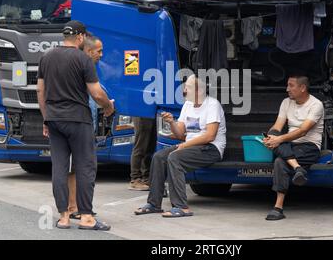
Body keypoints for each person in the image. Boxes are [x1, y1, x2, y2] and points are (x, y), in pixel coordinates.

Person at [37, 20, 115, 230]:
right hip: (78, 119)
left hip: (54, 119)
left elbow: (40, 91)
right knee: (85, 166)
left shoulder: (46, 57)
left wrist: (46, 118)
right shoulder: (83, 59)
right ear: (80, 37)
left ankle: (64, 216)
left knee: (59, 168)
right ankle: (87, 217)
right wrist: (108, 107)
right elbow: (97, 93)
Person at [134, 75, 226, 217]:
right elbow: (179, 133)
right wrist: (171, 122)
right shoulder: (188, 104)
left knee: (174, 158)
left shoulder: (212, 105)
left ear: (198, 91)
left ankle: (181, 207)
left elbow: (210, 136)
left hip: (211, 148)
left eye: (187, 87)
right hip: (191, 146)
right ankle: (154, 204)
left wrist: (185, 145)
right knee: (158, 157)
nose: (184, 90)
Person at [263, 76, 324, 221]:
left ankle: (278, 208)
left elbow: (303, 131)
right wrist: (270, 137)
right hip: (290, 145)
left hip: (309, 146)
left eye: (291, 86)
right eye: (287, 85)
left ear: (302, 88)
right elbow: (278, 126)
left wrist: (279, 139)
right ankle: (298, 168)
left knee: (279, 161)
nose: (287, 89)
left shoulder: (316, 105)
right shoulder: (286, 102)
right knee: (275, 140)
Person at [67, 35, 104, 220]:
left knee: (78, 167)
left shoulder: (87, 67)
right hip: (79, 125)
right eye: (99, 51)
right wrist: (107, 105)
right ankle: (76, 207)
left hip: (85, 124)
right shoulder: (82, 67)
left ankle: (76, 206)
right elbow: (96, 96)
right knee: (81, 167)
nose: (101, 55)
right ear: (89, 51)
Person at [129, 117, 157, 191]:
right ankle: (135, 179)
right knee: (140, 146)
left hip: (151, 114)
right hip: (142, 114)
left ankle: (146, 178)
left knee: (149, 148)